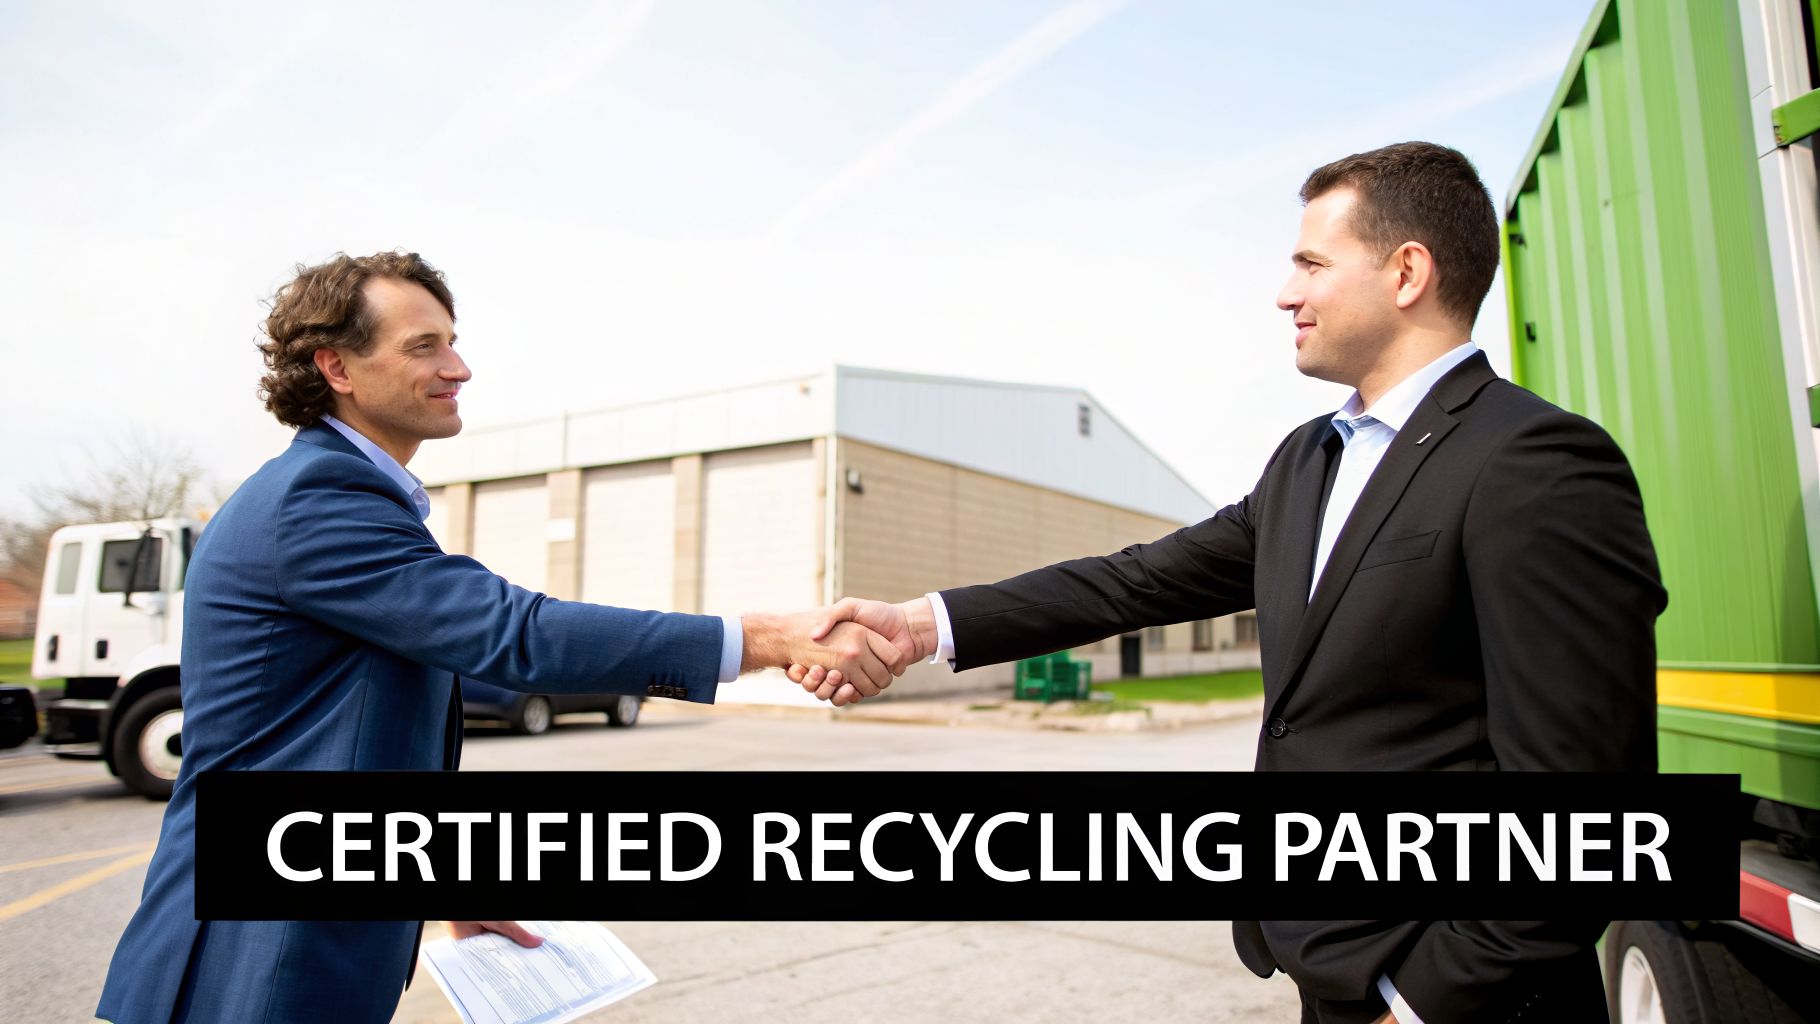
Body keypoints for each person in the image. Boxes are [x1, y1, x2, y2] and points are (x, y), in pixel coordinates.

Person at [793, 142, 1667, 1023]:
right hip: (1332, 970)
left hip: (1458, 996)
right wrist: (918, 626)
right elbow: (1130, 584)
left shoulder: (1535, 463)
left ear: (1407, 273)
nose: (1285, 294)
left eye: (1312, 264)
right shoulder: (1308, 460)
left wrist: (1418, 1001)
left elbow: (1586, 806)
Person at [96, 251, 901, 1024]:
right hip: (256, 959)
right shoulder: (317, 500)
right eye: (424, 346)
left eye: (453, 341)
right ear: (336, 367)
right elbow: (516, 635)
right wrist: (767, 637)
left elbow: (340, 740)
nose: (459, 368)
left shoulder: (348, 497)